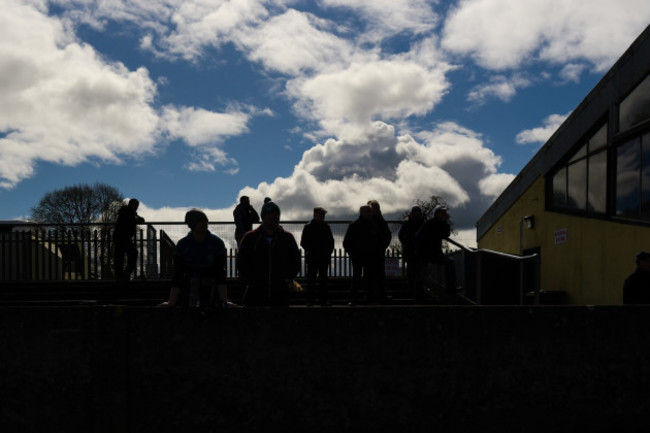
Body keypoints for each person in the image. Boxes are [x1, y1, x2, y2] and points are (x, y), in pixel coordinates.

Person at [159, 209, 228, 308]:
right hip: (190, 279)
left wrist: (223, 300)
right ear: (192, 224)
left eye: (205, 220)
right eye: (200, 220)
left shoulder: (217, 243)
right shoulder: (183, 244)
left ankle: (223, 301)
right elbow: (178, 273)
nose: (204, 223)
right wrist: (171, 302)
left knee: (220, 274)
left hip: (210, 277)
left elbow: (220, 270)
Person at [238, 201, 301, 306]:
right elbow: (242, 262)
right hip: (255, 293)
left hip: (280, 293)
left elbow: (295, 261)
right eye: (270, 213)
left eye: (277, 214)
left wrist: (287, 279)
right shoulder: (250, 237)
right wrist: (251, 280)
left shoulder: (287, 237)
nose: (274, 216)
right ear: (263, 216)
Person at [343, 205, 389, 305]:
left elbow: (380, 240)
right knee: (358, 278)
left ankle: (366, 298)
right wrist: (353, 253)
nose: (369, 213)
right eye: (368, 211)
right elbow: (347, 243)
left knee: (367, 278)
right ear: (362, 212)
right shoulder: (358, 225)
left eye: (370, 211)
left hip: (369, 257)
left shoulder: (362, 225)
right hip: (361, 257)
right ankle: (358, 298)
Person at [416, 205, 457, 300]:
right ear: (437, 213)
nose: (444, 214)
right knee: (421, 274)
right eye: (442, 212)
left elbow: (446, 233)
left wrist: (445, 222)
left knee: (450, 263)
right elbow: (419, 237)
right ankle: (420, 293)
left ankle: (451, 289)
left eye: (445, 213)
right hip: (425, 253)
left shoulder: (442, 224)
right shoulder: (429, 224)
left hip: (436, 253)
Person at [300, 207, 335, 306]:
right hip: (316, 257)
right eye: (321, 214)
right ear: (315, 215)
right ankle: (316, 300)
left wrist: (313, 250)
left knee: (319, 280)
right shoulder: (321, 227)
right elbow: (303, 242)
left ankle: (314, 300)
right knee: (314, 280)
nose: (323, 216)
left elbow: (303, 242)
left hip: (317, 257)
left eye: (323, 215)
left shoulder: (311, 226)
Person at [113, 198, 145, 281]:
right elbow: (129, 221)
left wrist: (136, 219)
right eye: (136, 206)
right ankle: (125, 273)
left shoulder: (129, 212)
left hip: (122, 238)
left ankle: (121, 275)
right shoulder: (126, 211)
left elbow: (141, 220)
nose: (137, 207)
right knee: (131, 254)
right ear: (132, 204)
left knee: (120, 257)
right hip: (122, 237)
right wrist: (135, 220)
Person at [367, 200, 392, 302]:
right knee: (371, 274)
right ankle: (371, 294)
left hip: (378, 251)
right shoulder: (369, 221)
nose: (375, 210)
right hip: (370, 252)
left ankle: (380, 294)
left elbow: (388, 235)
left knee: (380, 274)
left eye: (376, 208)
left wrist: (383, 245)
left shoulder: (381, 221)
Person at [398, 206, 425, 297]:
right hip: (412, 250)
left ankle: (415, 289)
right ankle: (413, 289)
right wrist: (407, 243)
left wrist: (406, 242)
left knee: (417, 271)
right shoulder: (413, 223)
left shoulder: (413, 223)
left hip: (417, 250)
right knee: (412, 271)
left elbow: (401, 235)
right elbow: (401, 235)